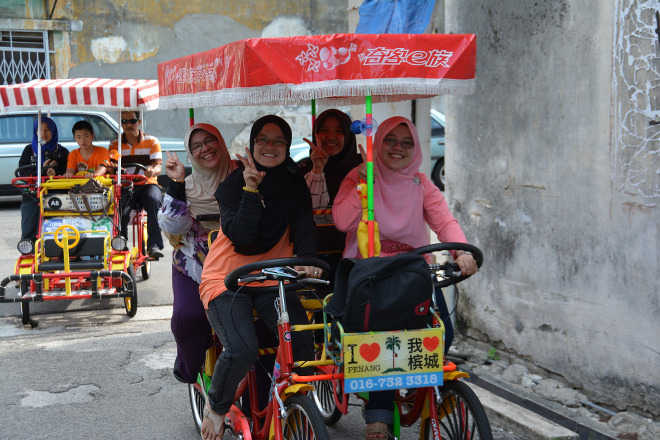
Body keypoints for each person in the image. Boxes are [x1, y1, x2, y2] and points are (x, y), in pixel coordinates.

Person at [333, 116, 478, 440]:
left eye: (406, 142)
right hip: (368, 274)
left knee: (443, 334)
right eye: (390, 140)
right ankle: (379, 415)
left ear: (414, 148)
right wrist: (364, 183)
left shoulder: (420, 183)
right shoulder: (358, 176)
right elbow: (342, 222)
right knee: (382, 343)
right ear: (378, 141)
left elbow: (445, 222)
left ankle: (413, 386)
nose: (398, 147)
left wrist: (463, 253)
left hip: (413, 273)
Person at [199, 115, 322, 440]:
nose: (270, 146)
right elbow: (240, 235)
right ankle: (217, 406)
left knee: (304, 342)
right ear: (253, 145)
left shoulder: (294, 183)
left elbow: (304, 225)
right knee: (242, 348)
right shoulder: (233, 185)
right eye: (263, 140)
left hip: (272, 277)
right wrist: (251, 190)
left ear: (286, 146)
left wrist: (309, 261)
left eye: (278, 140)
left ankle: (294, 403)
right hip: (227, 280)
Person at [157, 123, 238, 384]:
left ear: (221, 142)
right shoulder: (186, 184)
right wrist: (177, 182)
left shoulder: (243, 174)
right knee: (188, 317)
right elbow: (173, 226)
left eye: (210, 141)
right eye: (196, 146)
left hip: (241, 264)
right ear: (190, 154)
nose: (205, 149)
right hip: (196, 264)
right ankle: (191, 367)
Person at [108, 111, 164, 258]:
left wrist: (152, 171)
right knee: (120, 209)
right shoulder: (115, 143)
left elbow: (158, 167)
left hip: (147, 184)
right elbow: (111, 167)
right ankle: (121, 243)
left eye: (132, 121)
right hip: (126, 185)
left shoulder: (152, 141)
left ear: (139, 122)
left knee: (154, 200)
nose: (128, 125)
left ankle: (154, 245)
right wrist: (115, 169)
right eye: (124, 122)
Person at [17, 117, 69, 242]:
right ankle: (30, 253)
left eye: (47, 129)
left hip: (57, 195)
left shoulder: (63, 151)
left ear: (54, 131)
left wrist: (56, 172)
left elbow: (68, 171)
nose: (43, 134)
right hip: (32, 195)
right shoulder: (29, 150)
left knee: (58, 232)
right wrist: (42, 170)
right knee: (29, 231)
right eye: (39, 130)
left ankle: (59, 255)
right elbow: (23, 172)